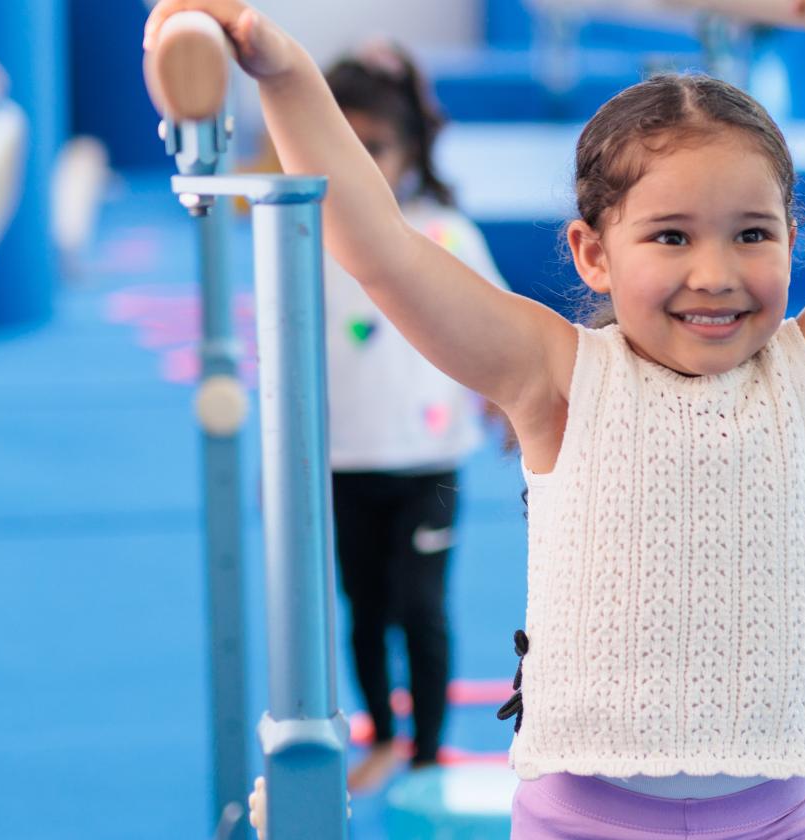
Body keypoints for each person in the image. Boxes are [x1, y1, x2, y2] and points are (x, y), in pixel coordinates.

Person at [143, 1, 805, 835]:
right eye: (670, 238)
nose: (718, 274)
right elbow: (376, 241)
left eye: (754, 233)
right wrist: (279, 65)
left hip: (780, 815)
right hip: (589, 820)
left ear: (794, 240)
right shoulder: (554, 375)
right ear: (591, 254)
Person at [310, 42, 506, 792]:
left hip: (428, 460)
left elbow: (494, 328)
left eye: (377, 148)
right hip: (342, 459)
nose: (361, 163)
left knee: (420, 608)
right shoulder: (310, 232)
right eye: (345, 146)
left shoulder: (444, 232)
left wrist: (502, 400)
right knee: (362, 607)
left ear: (411, 149)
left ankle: (426, 755)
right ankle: (384, 738)